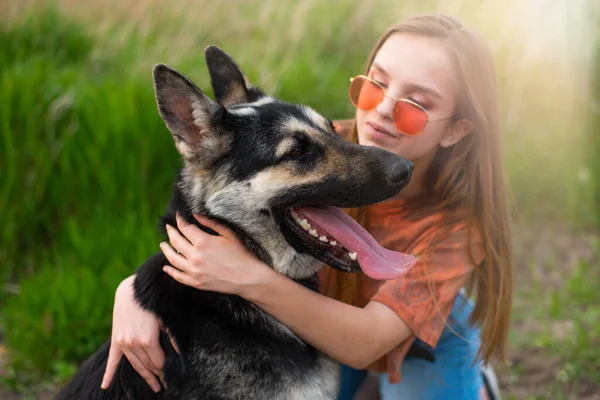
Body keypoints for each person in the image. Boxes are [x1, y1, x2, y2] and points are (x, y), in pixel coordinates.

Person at [101, 13, 513, 400]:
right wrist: (136, 291)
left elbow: (364, 340)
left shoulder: (454, 226)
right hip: (322, 323)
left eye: (416, 104)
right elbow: (209, 214)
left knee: (435, 334)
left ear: (456, 128)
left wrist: (250, 279)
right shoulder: (321, 140)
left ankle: (476, 383)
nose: (383, 110)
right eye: (376, 84)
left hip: (407, 334)